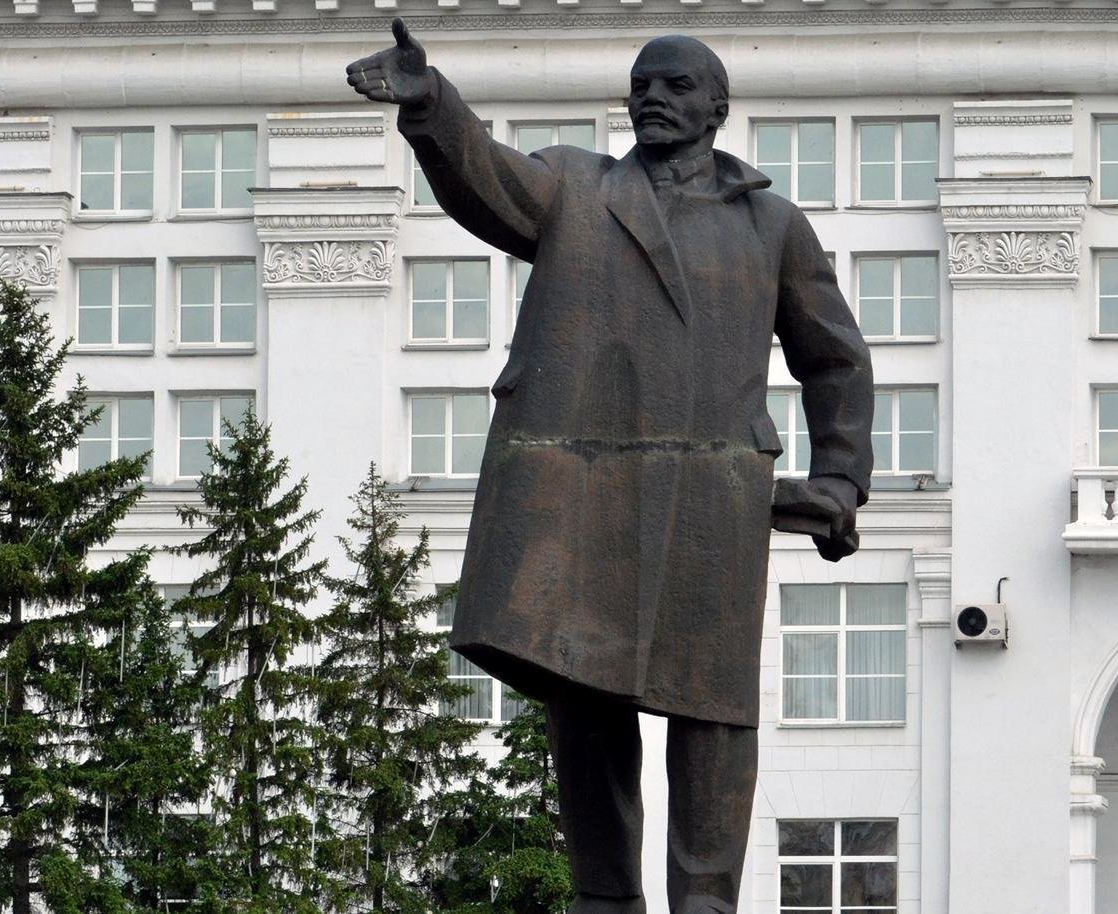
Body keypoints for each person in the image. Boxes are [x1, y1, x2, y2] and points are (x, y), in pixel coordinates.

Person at [348, 22, 874, 914]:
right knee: (583, 693)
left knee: (712, 708)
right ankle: (605, 897)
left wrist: (840, 477)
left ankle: (705, 902)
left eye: (675, 85)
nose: (652, 98)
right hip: (580, 486)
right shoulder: (576, 186)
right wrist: (432, 104)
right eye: (640, 85)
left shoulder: (771, 223)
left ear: (717, 106)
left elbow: (835, 358)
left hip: (711, 494)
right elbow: (488, 180)